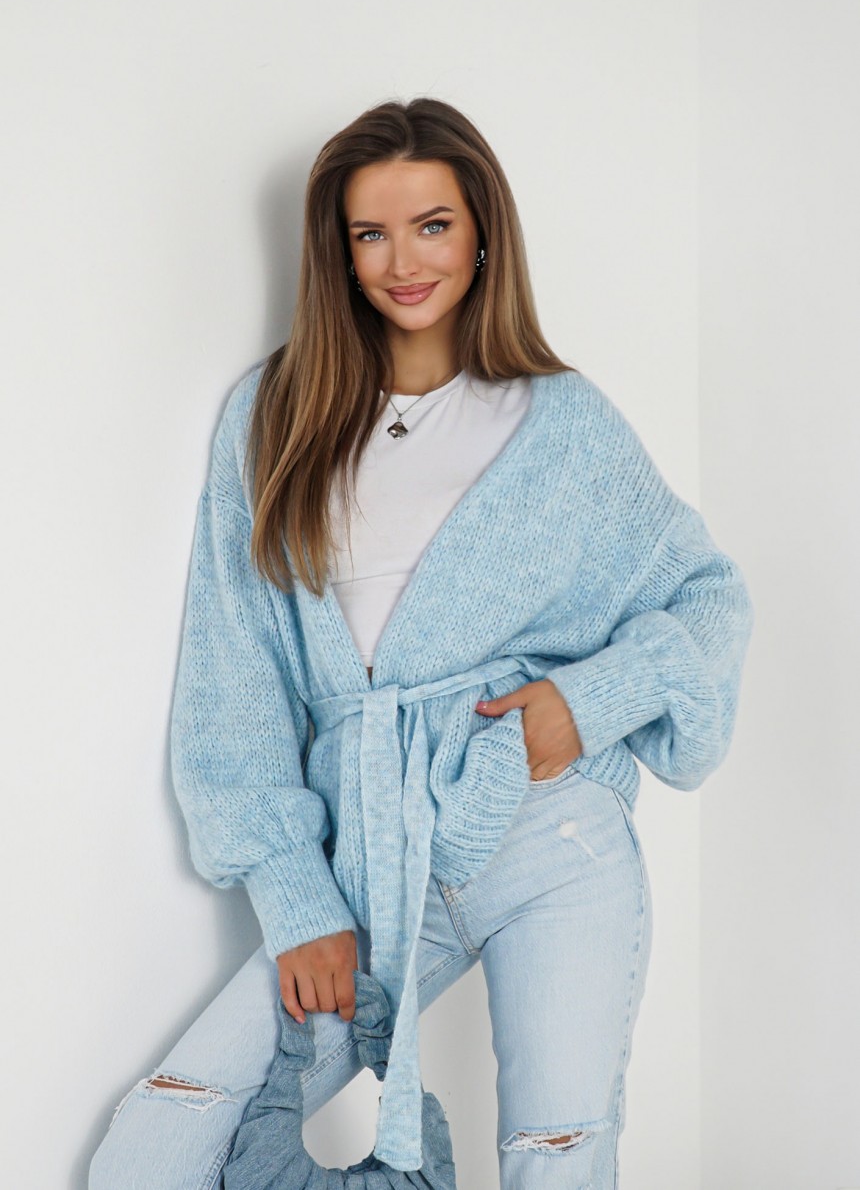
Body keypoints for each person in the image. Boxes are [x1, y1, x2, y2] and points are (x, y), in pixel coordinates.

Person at [89, 96, 754, 1189]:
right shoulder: (275, 416)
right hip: (367, 859)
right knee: (155, 1150)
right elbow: (233, 678)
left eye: (432, 225)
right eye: (371, 233)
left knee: (556, 1160)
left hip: (550, 834)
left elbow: (708, 595)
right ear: (338, 251)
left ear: (482, 232)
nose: (403, 262)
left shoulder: (562, 422)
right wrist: (297, 898)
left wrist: (583, 703)